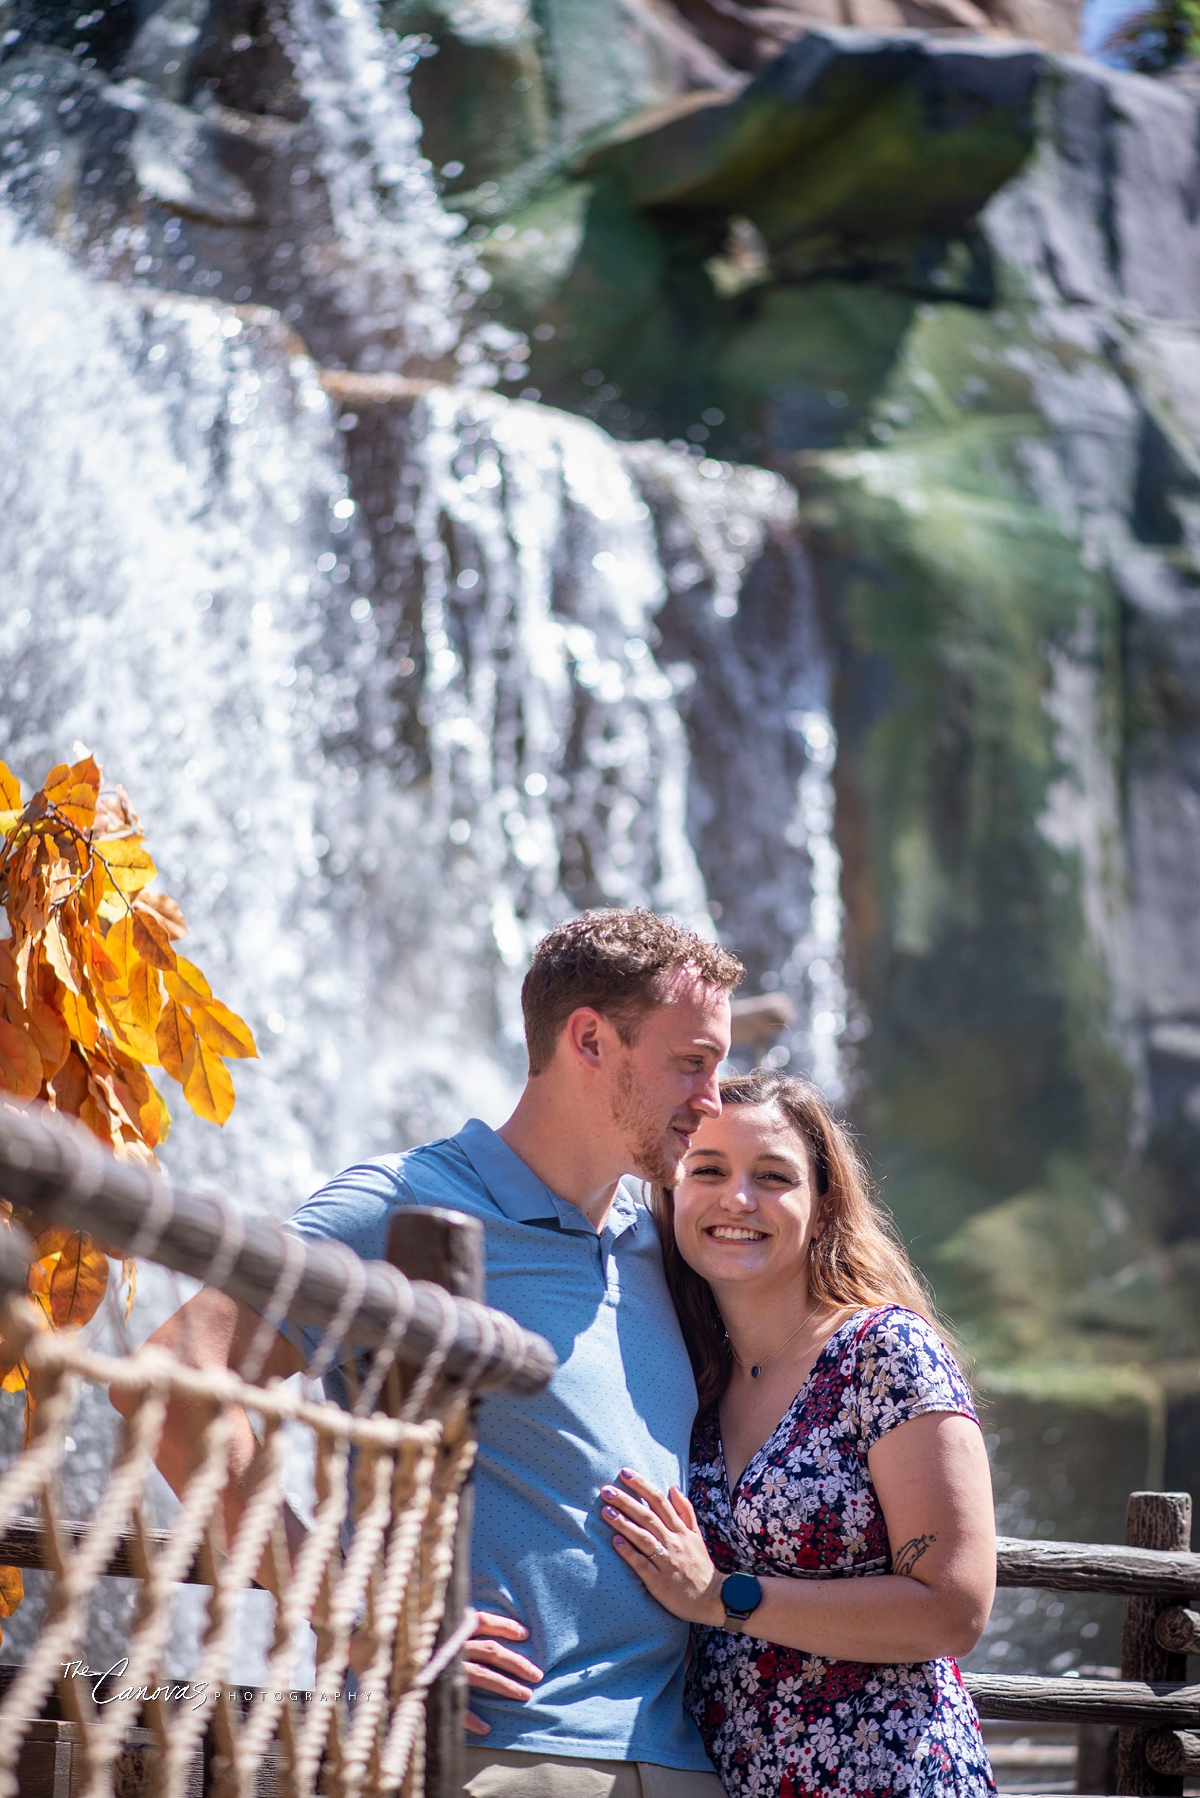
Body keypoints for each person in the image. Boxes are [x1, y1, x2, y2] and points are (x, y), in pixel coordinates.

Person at [121, 908, 742, 1798]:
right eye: (692, 1063)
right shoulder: (400, 1203)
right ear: (591, 1040)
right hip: (487, 1754)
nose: (713, 1100)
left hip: (679, 1757)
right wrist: (334, 1597)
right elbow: (173, 1381)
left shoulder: (666, 1238)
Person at [598, 1069, 998, 1798]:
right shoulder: (689, 1375)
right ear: (672, 1195)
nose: (737, 1199)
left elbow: (955, 1608)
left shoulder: (884, 1353)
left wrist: (721, 1596)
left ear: (821, 1206)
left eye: (773, 1176)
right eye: (708, 1170)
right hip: (731, 1777)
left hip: (889, 1778)